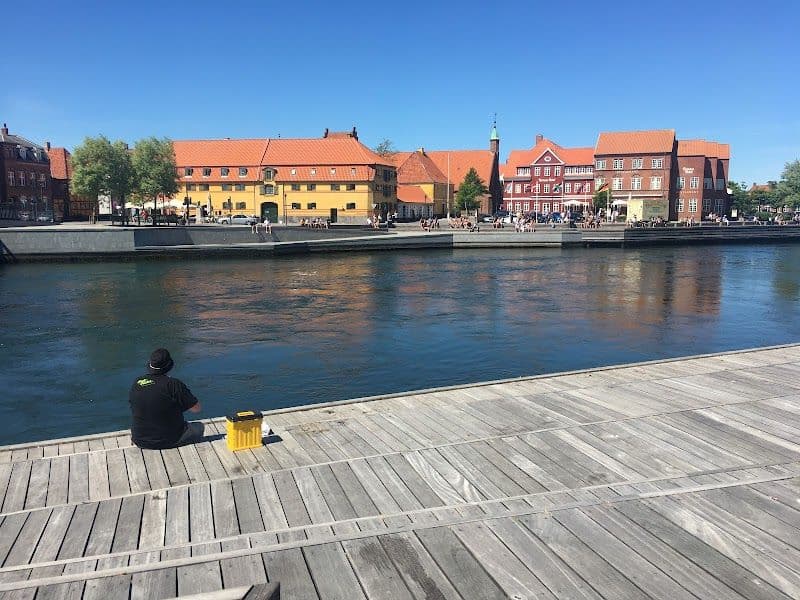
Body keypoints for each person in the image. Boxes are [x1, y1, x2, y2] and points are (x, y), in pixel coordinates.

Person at [129, 348, 203, 449]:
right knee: (199, 427)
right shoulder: (173, 384)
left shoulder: (137, 382)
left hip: (139, 440)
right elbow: (197, 409)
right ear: (169, 367)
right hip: (167, 440)